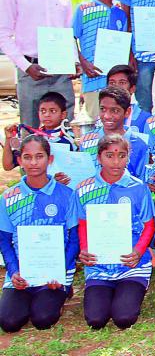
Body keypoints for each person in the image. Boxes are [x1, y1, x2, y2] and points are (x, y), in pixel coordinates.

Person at [74, 134, 155, 329]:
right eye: (109, 155)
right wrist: (85, 249)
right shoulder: (84, 189)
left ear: (128, 157)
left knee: (124, 318)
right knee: (95, 320)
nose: (116, 161)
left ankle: (131, 289)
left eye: (122, 155)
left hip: (132, 266)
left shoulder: (138, 188)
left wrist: (138, 252)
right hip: (98, 267)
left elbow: (149, 226)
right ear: (99, 157)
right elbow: (83, 224)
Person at [0, 136, 78, 333]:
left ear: (49, 160)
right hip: (21, 273)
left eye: (39, 156)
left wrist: (60, 271)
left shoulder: (67, 194)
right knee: (9, 322)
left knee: (43, 319)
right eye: (27, 157)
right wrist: (14, 271)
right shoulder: (8, 198)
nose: (33, 163)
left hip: (55, 273)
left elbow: (74, 238)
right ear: (19, 161)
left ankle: (64, 290)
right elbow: (4, 241)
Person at [0, 0, 75, 127]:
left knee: (65, 130)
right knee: (31, 131)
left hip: (61, 73)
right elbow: (3, 35)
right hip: (31, 71)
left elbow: (67, 34)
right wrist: (26, 67)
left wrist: (74, 61)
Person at [74, 0, 128, 117]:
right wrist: (83, 63)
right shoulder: (84, 9)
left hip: (116, 83)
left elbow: (123, 44)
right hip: (93, 78)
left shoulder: (120, 14)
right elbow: (71, 38)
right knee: (95, 123)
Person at [79, 86, 150, 181]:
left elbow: (143, 182)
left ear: (127, 112)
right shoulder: (87, 141)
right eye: (103, 109)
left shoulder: (139, 145)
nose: (107, 116)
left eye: (115, 110)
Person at [2, 92, 78, 172]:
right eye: (43, 111)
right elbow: (8, 166)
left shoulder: (71, 138)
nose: (47, 115)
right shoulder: (33, 139)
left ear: (63, 115)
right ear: (38, 113)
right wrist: (8, 138)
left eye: (53, 111)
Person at [106, 65, 151, 133]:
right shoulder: (102, 117)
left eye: (122, 83)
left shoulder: (146, 119)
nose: (116, 87)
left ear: (132, 89)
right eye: (112, 83)